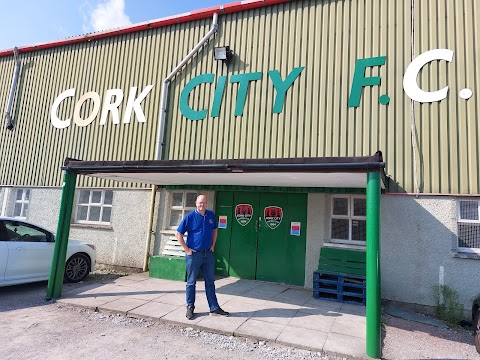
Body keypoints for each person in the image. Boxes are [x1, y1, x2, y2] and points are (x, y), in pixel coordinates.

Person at [176, 194, 229, 320]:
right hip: (194, 255)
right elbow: (178, 233)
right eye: (200, 203)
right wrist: (187, 249)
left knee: (210, 282)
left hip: (208, 254)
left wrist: (213, 245)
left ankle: (214, 307)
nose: (202, 205)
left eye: (204, 203)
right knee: (191, 282)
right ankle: (190, 307)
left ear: (207, 203)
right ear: (196, 203)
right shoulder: (190, 217)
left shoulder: (210, 215)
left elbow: (215, 229)